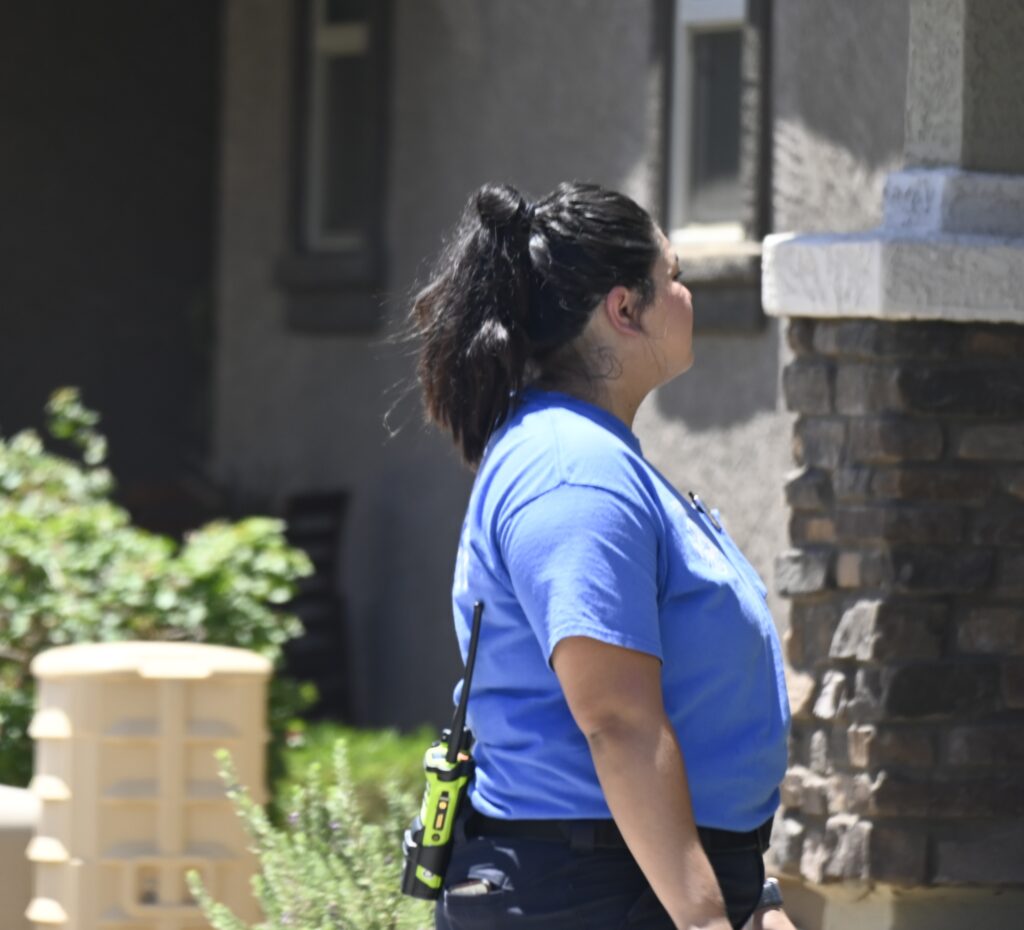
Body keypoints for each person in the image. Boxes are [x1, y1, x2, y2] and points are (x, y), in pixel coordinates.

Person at [409, 181, 795, 930]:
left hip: (629, 878)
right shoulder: (571, 469)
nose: (687, 295)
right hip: (593, 891)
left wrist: (755, 897)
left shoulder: (591, 454)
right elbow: (618, 722)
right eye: (673, 276)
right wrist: (706, 918)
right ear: (625, 308)